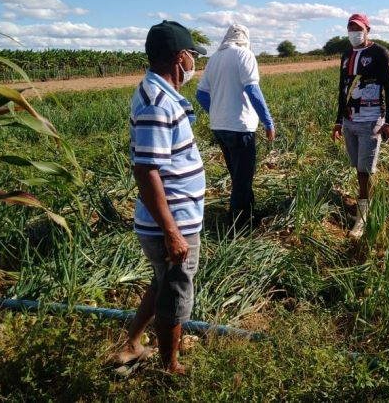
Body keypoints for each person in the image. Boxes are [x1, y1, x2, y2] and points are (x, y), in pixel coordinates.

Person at [112, 20, 207, 375]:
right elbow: (146, 170)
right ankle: (170, 367)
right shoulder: (156, 103)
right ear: (180, 57)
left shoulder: (161, 94)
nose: (193, 63)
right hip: (170, 224)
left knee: (162, 282)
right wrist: (172, 231)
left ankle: (133, 344)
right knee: (174, 296)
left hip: (172, 220)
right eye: (192, 56)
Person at [196, 24, 275, 229]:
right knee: (243, 176)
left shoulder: (214, 59)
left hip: (220, 127)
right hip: (240, 127)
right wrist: (268, 121)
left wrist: (217, 111)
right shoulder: (245, 55)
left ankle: (248, 213)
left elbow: (201, 94)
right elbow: (253, 90)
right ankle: (238, 225)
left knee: (238, 173)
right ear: (244, 38)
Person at [331, 13, 389, 239]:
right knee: (358, 169)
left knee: (365, 171)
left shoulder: (380, 53)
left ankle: (363, 217)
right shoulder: (347, 55)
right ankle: (365, 205)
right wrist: (339, 120)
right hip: (350, 121)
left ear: (367, 29)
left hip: (371, 121)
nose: (353, 32)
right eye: (350, 28)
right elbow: (343, 88)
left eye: (358, 28)